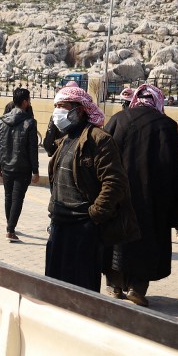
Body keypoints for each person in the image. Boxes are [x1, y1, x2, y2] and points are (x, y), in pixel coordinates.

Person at [45, 84, 137, 291]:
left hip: (83, 228)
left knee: (81, 291)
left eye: (63, 106)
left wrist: (94, 216)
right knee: (55, 289)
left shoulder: (99, 140)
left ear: (79, 110)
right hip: (59, 224)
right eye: (56, 106)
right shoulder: (64, 140)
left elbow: (114, 182)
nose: (57, 112)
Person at [102, 84, 178, 306]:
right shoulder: (167, 125)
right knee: (147, 242)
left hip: (120, 196)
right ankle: (137, 289)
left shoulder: (120, 119)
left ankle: (115, 286)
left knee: (117, 240)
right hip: (153, 200)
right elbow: (173, 166)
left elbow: (104, 154)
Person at [0, 87, 40, 242]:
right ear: (25, 102)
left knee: (8, 196)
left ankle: (10, 225)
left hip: (6, 166)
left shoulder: (2, 121)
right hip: (23, 168)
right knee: (17, 198)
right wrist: (35, 170)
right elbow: (33, 149)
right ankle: (10, 230)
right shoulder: (30, 122)